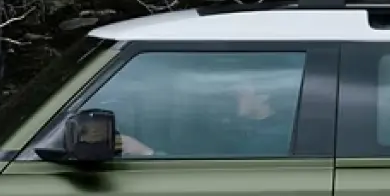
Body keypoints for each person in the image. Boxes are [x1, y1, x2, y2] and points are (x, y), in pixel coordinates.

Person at [117, 82, 291, 158]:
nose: (230, 96)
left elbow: (215, 180)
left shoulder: (272, 138)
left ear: (264, 94)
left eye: (239, 92)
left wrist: (146, 154)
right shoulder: (242, 130)